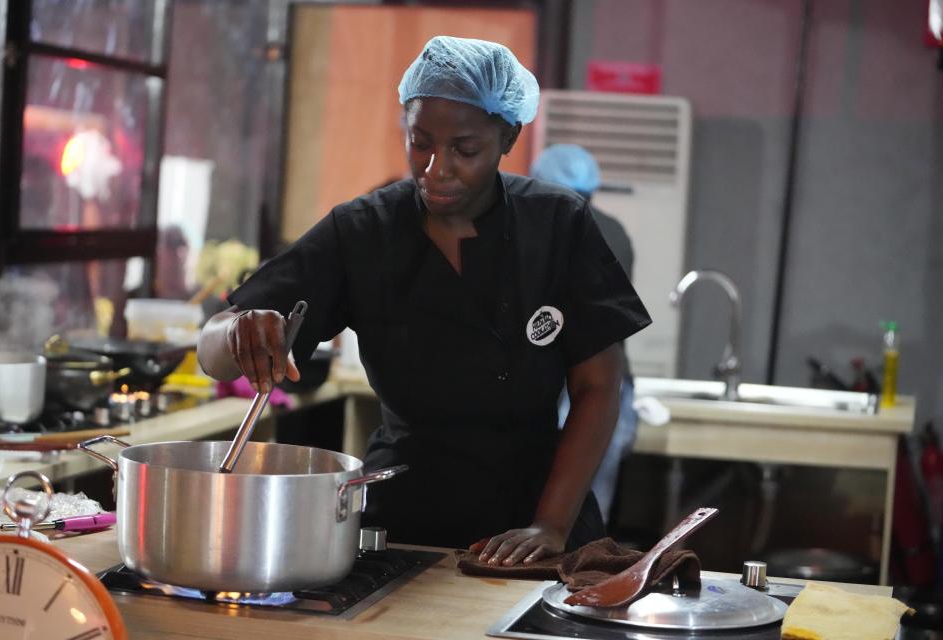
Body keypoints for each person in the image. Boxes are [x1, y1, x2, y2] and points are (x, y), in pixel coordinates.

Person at [197, 36, 650, 566]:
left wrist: (549, 525)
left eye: (464, 149)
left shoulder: (557, 224)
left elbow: (598, 388)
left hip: (538, 513)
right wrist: (236, 332)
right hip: (403, 517)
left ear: (508, 136)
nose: (436, 168)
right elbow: (212, 350)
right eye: (420, 143)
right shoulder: (362, 231)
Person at [530, 143, 638, 526]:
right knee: (590, 510)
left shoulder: (547, 231)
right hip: (612, 391)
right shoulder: (615, 232)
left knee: (550, 512)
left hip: (569, 388)